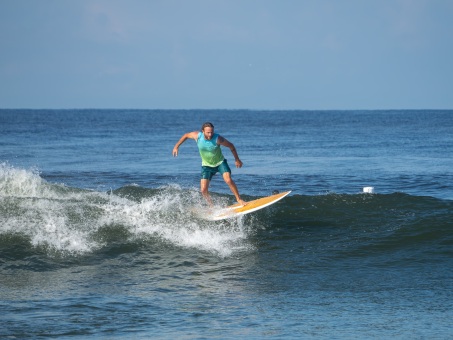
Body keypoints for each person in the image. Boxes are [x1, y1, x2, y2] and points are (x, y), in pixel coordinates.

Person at [173, 122, 246, 206]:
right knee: (203, 190)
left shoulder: (218, 139)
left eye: (212, 132)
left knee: (228, 180)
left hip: (220, 163)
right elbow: (186, 135)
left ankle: (239, 199)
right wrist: (176, 146)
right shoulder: (197, 136)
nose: (210, 134)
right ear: (203, 131)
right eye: (208, 132)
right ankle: (211, 206)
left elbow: (231, 146)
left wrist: (237, 159)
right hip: (206, 166)